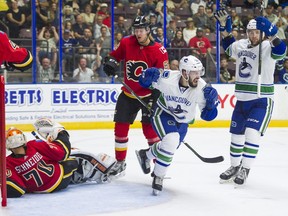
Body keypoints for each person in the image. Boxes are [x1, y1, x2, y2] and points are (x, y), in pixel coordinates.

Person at [214, 9, 287, 186]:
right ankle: (234, 166)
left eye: (256, 32)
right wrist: (224, 28)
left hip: (261, 100)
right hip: (242, 99)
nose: (253, 35)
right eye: (251, 32)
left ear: (261, 33)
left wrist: (271, 32)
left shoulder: (268, 46)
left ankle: (245, 168)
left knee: (252, 133)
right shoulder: (241, 45)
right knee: (236, 136)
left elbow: (282, 51)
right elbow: (229, 46)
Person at [135, 55, 219, 195]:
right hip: (163, 113)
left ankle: (146, 155)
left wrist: (211, 106)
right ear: (184, 72)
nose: (198, 76)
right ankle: (158, 176)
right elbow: (144, 82)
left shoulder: (202, 89)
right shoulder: (167, 78)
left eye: (199, 72)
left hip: (183, 122)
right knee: (171, 140)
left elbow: (207, 117)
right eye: (194, 72)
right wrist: (147, 76)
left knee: (169, 146)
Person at [103, 15, 169, 178]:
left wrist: (156, 97)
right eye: (136, 30)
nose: (138, 33)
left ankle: (156, 166)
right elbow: (114, 56)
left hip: (148, 96)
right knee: (120, 129)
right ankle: (120, 163)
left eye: (141, 30)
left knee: (150, 132)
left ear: (148, 31)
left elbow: (164, 78)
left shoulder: (159, 51)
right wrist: (110, 63)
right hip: (128, 94)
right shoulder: (127, 42)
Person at [6, 118, 117, 198]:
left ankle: (77, 176)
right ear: (23, 138)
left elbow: (16, 191)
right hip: (59, 180)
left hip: (40, 191)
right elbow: (63, 152)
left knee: (56, 158)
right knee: (72, 160)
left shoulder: (7, 163)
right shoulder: (34, 144)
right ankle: (95, 174)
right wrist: (61, 133)